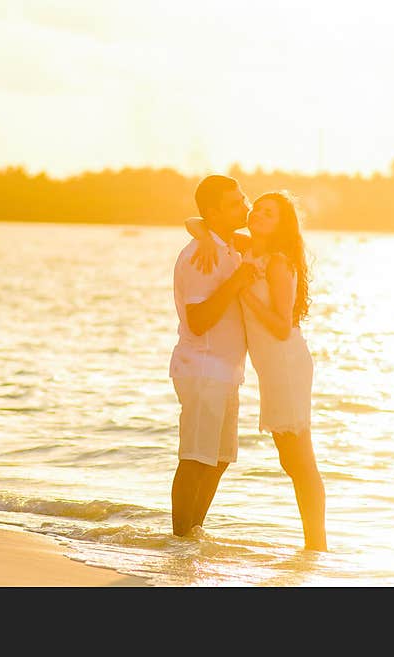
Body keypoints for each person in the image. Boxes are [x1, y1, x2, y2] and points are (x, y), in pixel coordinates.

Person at [185, 190, 328, 552]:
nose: (258, 215)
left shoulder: (277, 262)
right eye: (257, 210)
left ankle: (317, 546)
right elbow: (196, 222)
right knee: (290, 458)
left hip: (287, 364)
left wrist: (244, 292)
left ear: (281, 225)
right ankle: (314, 546)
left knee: (298, 459)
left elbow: (281, 326)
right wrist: (203, 237)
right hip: (271, 367)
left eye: (269, 213)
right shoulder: (248, 248)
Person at [168, 175, 257, 538]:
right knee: (195, 459)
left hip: (227, 371)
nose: (245, 206)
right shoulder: (199, 256)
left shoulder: (230, 245)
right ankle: (179, 540)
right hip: (202, 367)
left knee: (219, 460)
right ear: (214, 212)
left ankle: (193, 533)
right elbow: (199, 320)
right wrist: (234, 283)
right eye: (236, 203)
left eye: (243, 198)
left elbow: (198, 222)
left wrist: (203, 231)